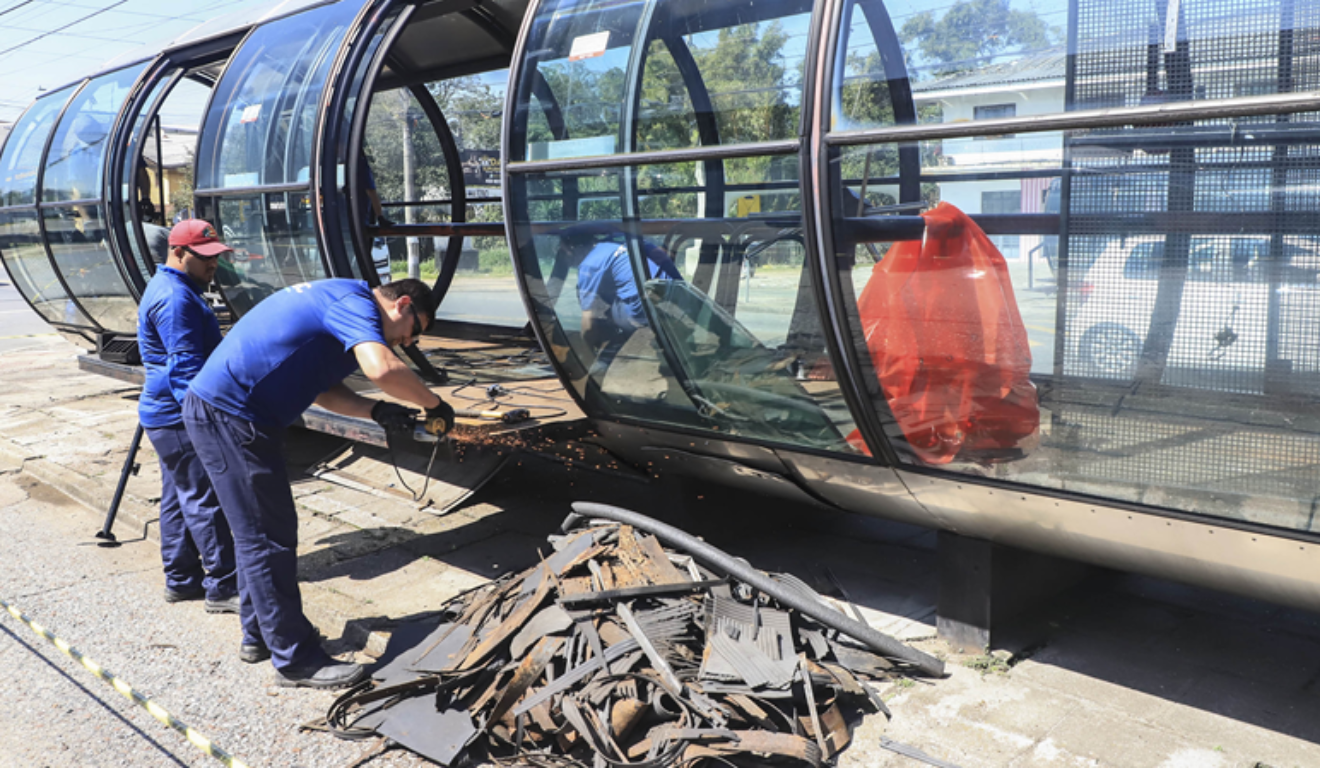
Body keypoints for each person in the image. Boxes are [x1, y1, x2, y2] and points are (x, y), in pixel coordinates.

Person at [181, 277, 455, 689]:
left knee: (263, 533)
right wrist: (435, 404)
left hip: (234, 415)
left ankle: (260, 635)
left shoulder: (341, 304)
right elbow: (382, 367)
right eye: (414, 331)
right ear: (401, 305)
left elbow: (323, 390)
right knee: (266, 539)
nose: (407, 343)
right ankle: (295, 659)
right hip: (231, 417)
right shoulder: (356, 302)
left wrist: (376, 411)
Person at [136, 219, 239, 613]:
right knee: (204, 499)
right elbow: (185, 372)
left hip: (164, 414)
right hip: (178, 416)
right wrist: (208, 423)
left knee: (179, 496)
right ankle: (223, 586)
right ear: (178, 252)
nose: (214, 265)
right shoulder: (177, 300)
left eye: (216, 256)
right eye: (205, 257)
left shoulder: (173, 287)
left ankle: (180, 579)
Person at [567, 235, 682, 366]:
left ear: (572, 248)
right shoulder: (617, 243)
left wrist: (584, 352)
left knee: (595, 295)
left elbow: (588, 318)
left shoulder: (589, 264)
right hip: (680, 302)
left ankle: (617, 338)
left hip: (646, 313)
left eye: (563, 252)